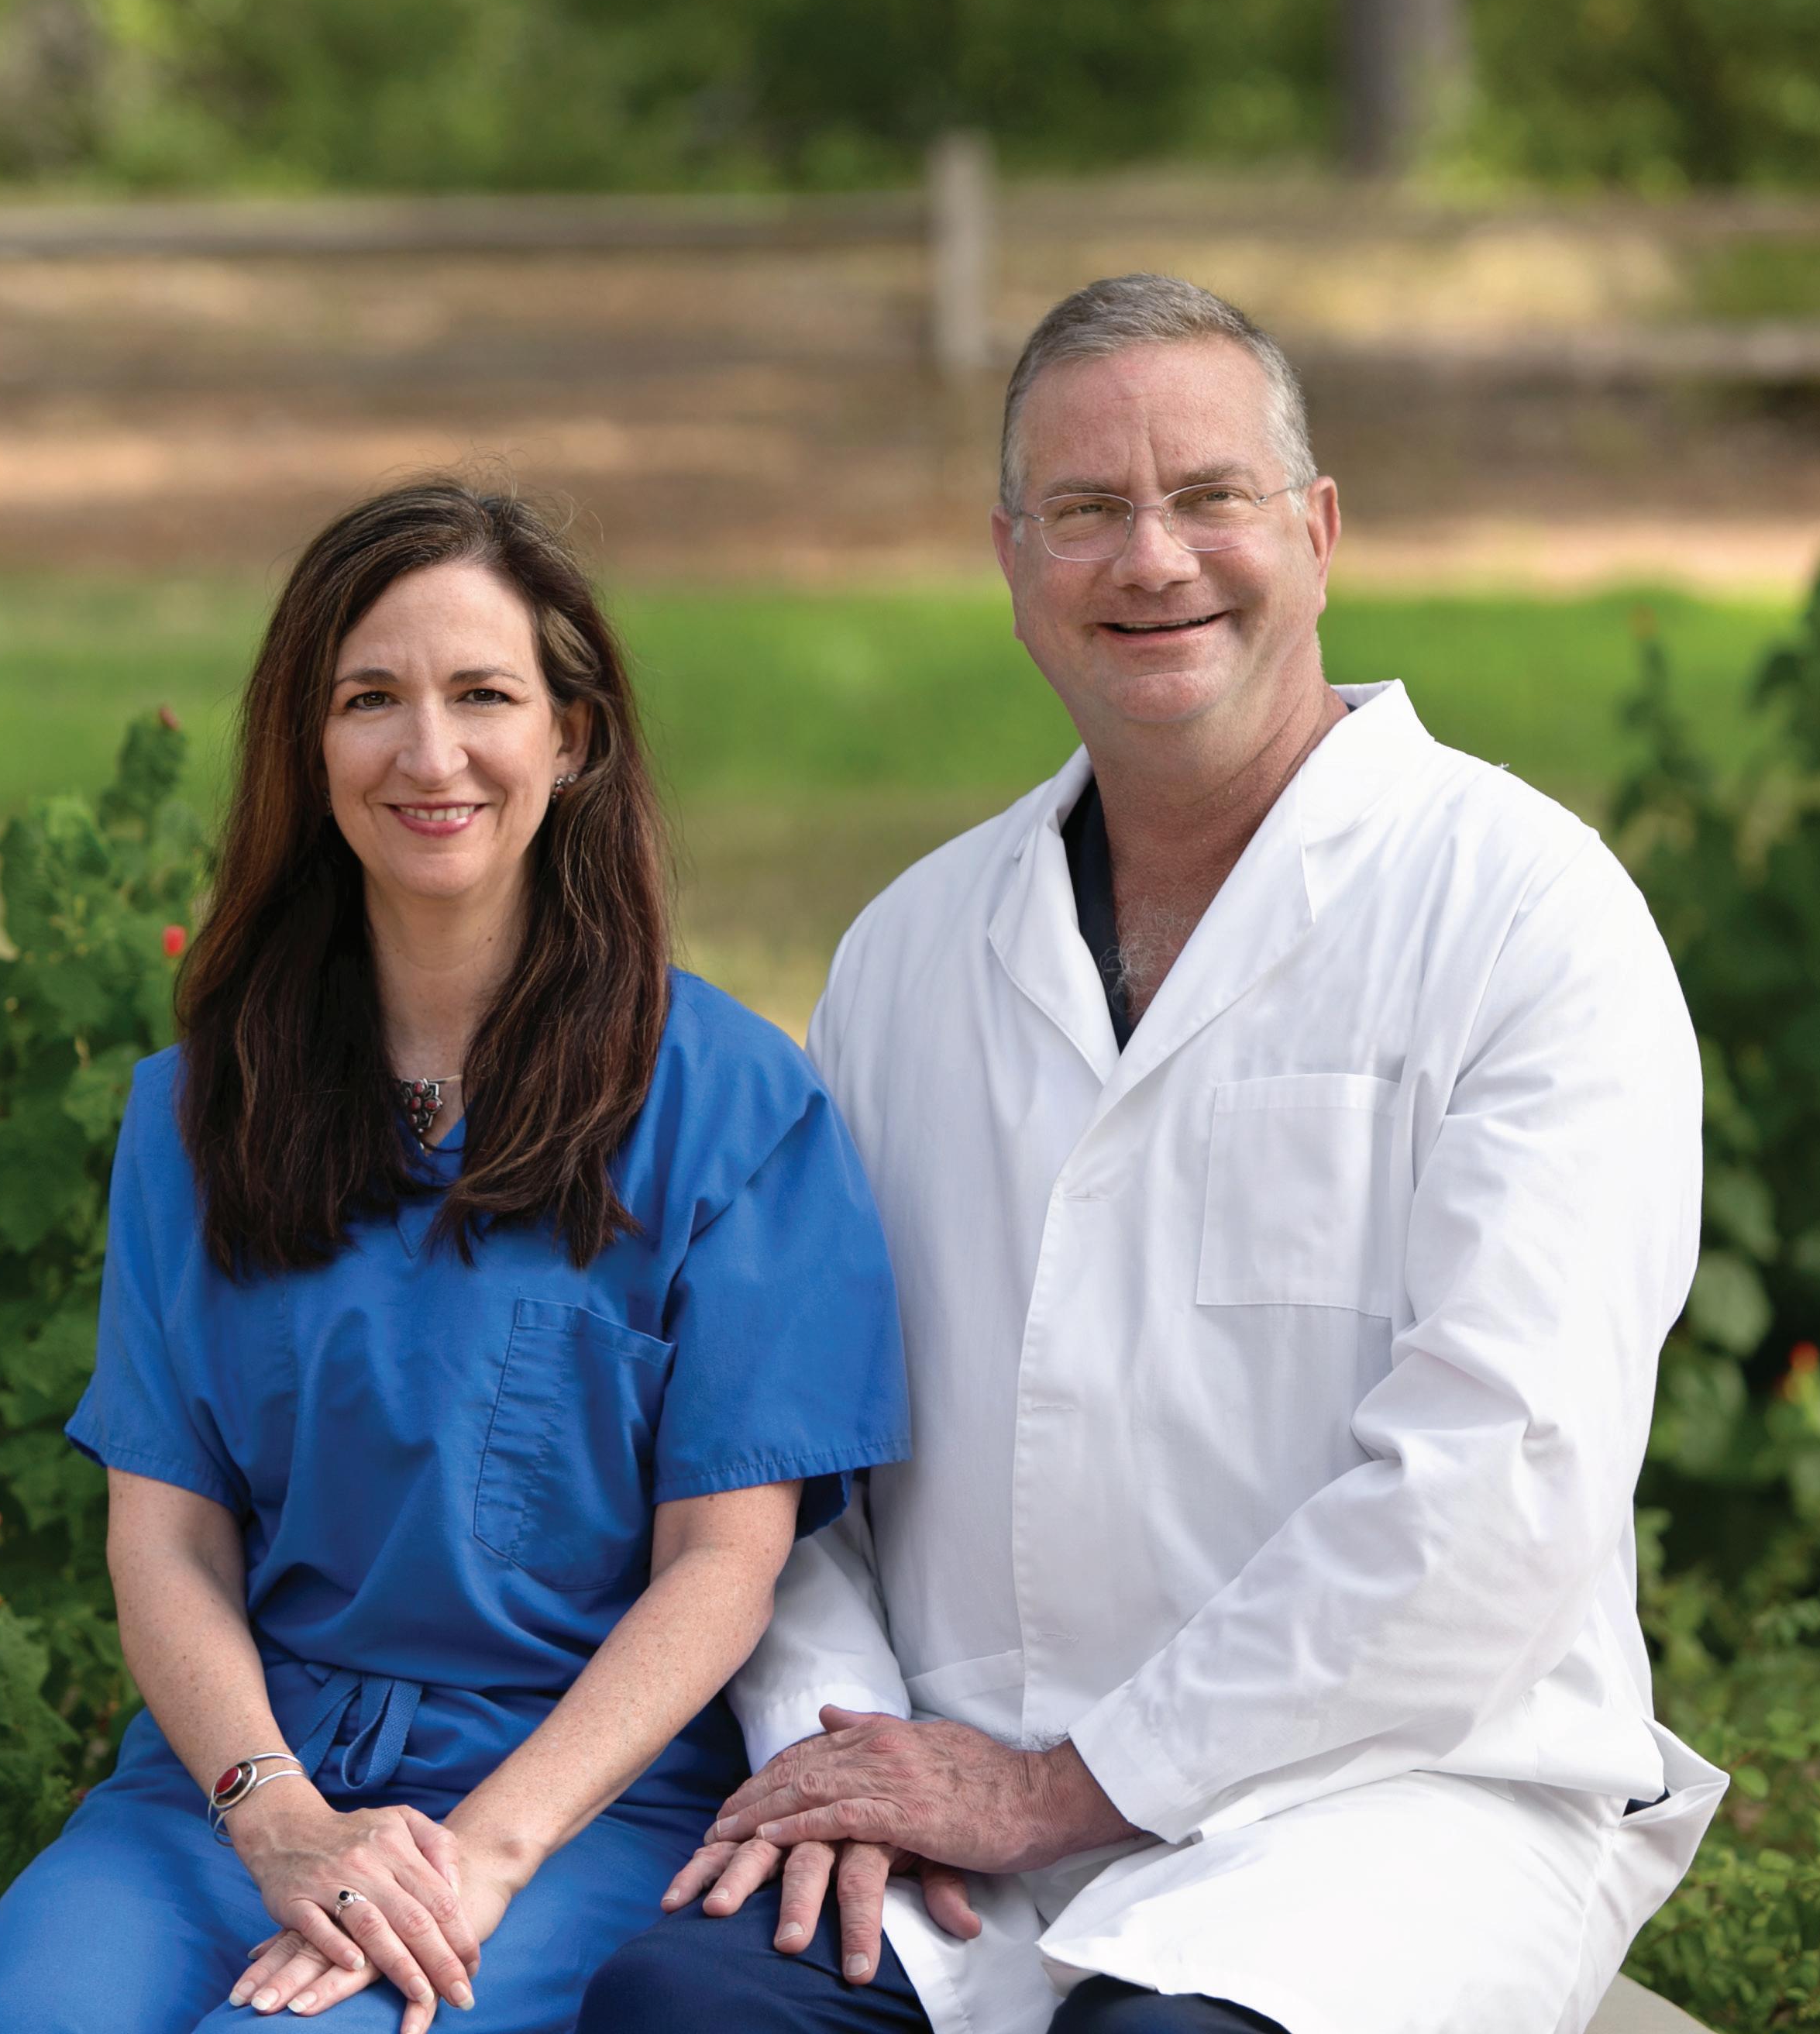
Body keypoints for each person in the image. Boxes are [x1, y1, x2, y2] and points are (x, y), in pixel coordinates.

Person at [573, 276, 1728, 2034]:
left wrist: (1070, 1789)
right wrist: (845, 1755)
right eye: (1087, 509)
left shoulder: (1523, 916)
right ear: (1011, 560)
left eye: (1210, 497)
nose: (1154, 558)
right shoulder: (906, 956)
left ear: (1317, 532)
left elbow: (1503, 1485)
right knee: (686, 2013)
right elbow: (798, 1456)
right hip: (959, 1810)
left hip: (1391, 1804)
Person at [0, 482, 911, 2034]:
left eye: (483, 696)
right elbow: (168, 1538)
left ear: (572, 737)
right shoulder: (201, 1109)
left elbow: (723, 1565)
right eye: (370, 701)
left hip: (571, 1814)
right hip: (238, 1790)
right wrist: (277, 1816)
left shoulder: (733, 1109)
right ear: (309, 745)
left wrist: (482, 1858)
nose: (429, 753)